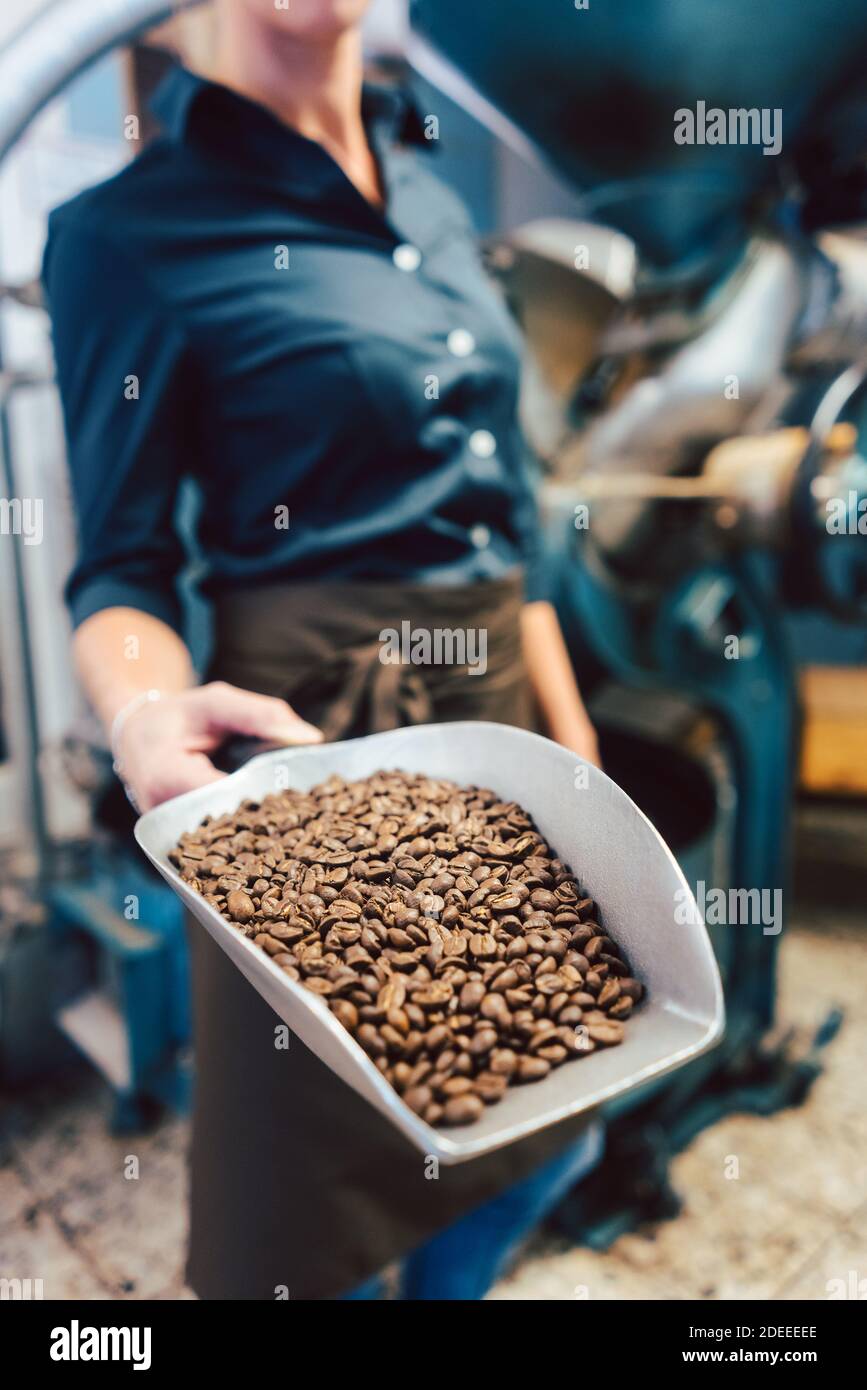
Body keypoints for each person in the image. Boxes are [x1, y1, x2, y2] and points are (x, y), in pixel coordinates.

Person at [44, 0, 602, 1299]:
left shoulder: (436, 195)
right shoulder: (125, 234)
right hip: (306, 767)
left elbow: (501, 527)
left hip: (501, 740)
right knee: (299, 1213)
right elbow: (120, 570)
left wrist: (579, 763)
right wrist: (141, 718)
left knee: (534, 1127)